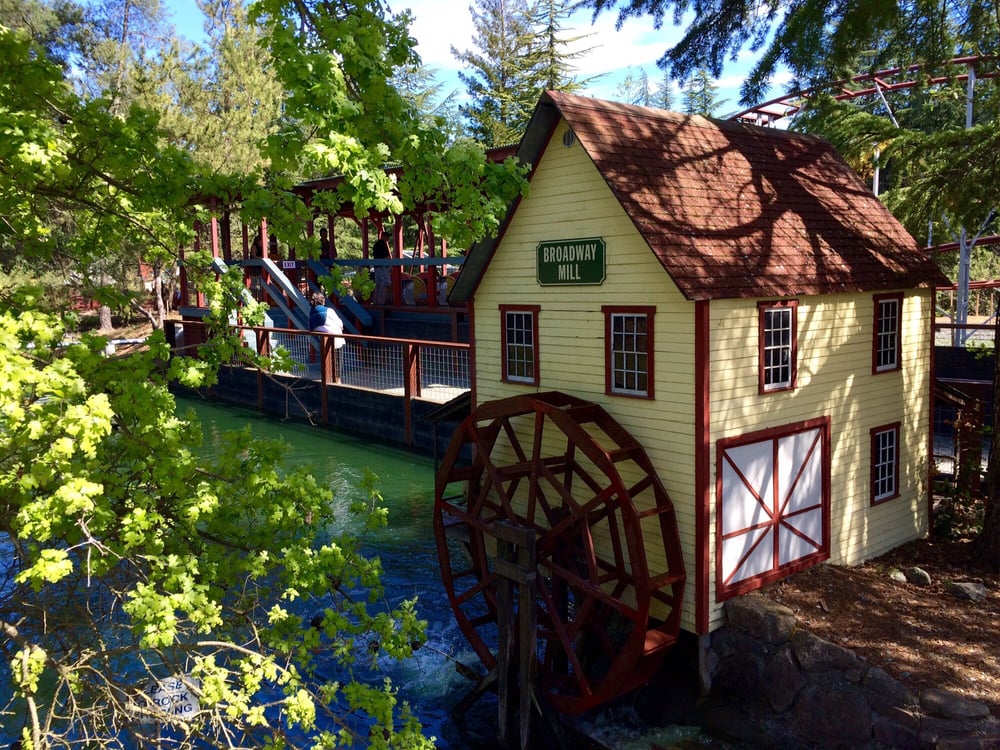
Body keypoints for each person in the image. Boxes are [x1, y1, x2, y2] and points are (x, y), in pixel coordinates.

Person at [372, 238, 391, 305]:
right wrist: (389, 266)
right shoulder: (383, 244)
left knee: (378, 285)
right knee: (383, 285)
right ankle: (381, 301)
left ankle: (375, 301)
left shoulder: (376, 245)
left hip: (376, 267)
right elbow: (386, 256)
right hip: (383, 267)